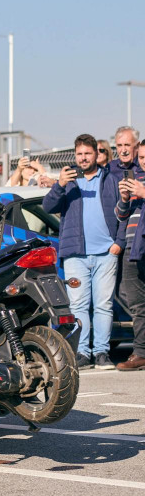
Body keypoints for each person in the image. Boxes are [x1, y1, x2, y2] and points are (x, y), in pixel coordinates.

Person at [42, 134, 124, 370]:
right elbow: (48, 207)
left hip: (106, 253)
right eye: (79, 154)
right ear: (75, 156)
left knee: (103, 305)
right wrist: (58, 185)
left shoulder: (111, 179)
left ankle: (101, 353)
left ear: (97, 155)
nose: (84, 158)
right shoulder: (69, 181)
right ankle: (82, 353)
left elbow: (123, 212)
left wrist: (118, 242)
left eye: (88, 153)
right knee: (78, 306)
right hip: (76, 254)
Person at [115, 139, 145, 370]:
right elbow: (121, 216)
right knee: (136, 304)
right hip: (132, 248)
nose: (144, 162)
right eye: (142, 158)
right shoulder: (135, 178)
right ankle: (141, 353)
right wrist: (124, 199)